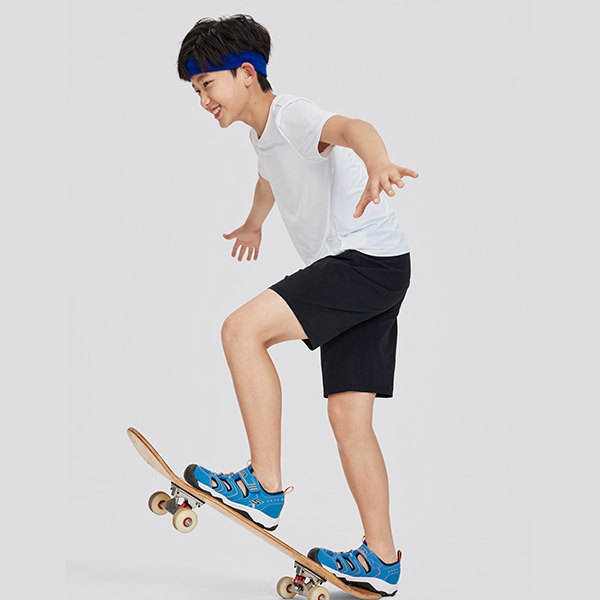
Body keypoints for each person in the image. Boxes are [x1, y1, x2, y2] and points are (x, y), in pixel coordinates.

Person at [176, 14, 418, 597]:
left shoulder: (290, 114)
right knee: (349, 421)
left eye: (207, 85)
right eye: (195, 91)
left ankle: (263, 487)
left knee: (241, 331)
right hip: (383, 268)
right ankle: (382, 558)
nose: (203, 101)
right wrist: (254, 223)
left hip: (360, 263)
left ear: (246, 73)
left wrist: (378, 161)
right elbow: (269, 178)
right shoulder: (263, 135)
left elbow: (351, 127)